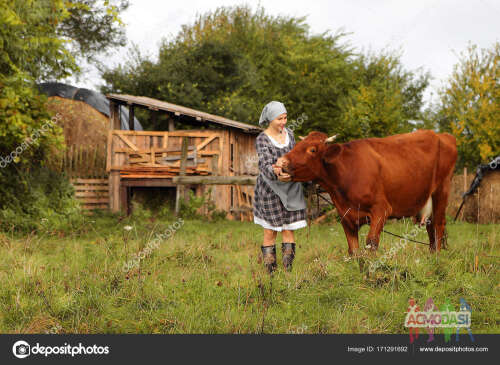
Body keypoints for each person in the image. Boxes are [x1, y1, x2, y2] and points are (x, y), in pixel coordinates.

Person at [253, 101, 307, 273]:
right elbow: (264, 164)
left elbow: (294, 157)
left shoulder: (290, 134)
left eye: (285, 118)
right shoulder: (262, 139)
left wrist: (293, 171)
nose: (283, 122)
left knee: (288, 230)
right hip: (270, 191)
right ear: (270, 119)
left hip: (291, 189)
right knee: (270, 232)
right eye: (279, 119)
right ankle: (271, 273)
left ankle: (287, 272)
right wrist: (276, 172)